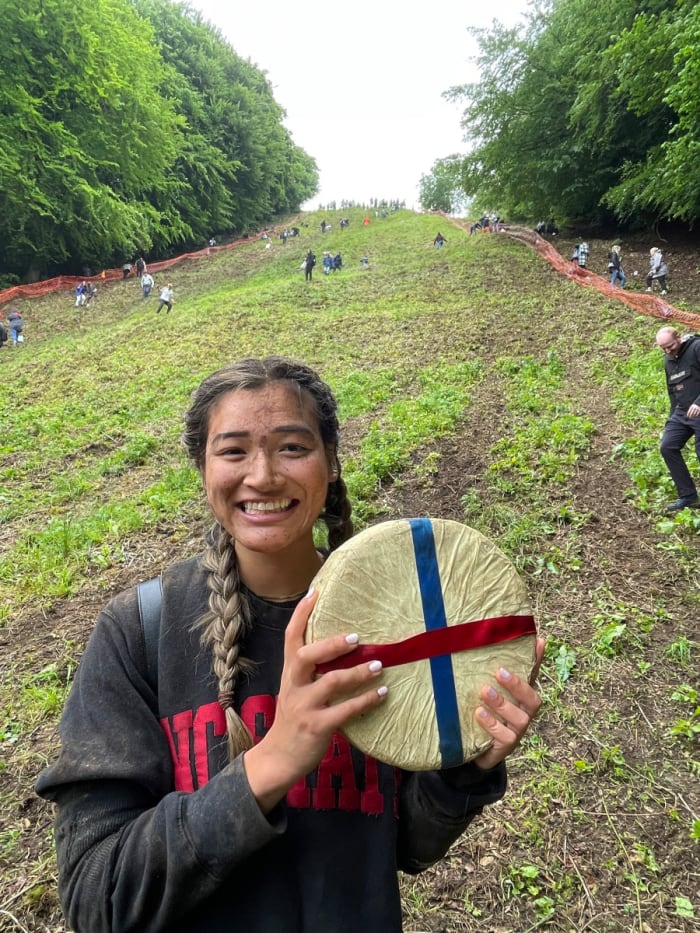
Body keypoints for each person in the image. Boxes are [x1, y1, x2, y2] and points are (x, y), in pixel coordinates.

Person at [35, 357, 544, 933]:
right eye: (232, 451)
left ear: (330, 464)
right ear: (202, 470)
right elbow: (97, 900)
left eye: (292, 448)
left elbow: (405, 848)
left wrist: (463, 769)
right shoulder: (138, 632)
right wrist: (271, 762)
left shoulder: (398, 626)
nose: (263, 476)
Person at [655, 327, 700, 511]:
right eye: (663, 348)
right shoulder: (668, 360)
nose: (667, 351)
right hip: (682, 412)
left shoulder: (696, 347)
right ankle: (688, 496)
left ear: (679, 338)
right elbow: (672, 391)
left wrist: (699, 402)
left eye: (670, 346)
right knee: (668, 446)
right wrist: (672, 417)